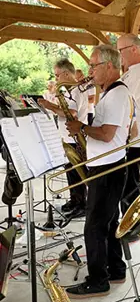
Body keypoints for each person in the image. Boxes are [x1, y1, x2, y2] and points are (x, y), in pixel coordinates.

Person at [65, 45, 136, 298]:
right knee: (108, 222)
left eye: (94, 66)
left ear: (109, 66)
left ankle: (98, 279)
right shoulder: (111, 93)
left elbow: (107, 134)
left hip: (108, 168)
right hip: (109, 166)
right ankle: (116, 268)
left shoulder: (117, 94)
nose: (90, 71)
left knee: (94, 226)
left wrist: (81, 128)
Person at [38, 59, 88, 218]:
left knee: (76, 174)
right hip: (68, 137)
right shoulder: (67, 90)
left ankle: (81, 204)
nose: (56, 79)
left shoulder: (77, 90)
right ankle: (74, 200)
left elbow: (71, 113)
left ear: (66, 73)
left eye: (57, 75)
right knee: (70, 173)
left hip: (75, 139)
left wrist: (49, 105)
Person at [117, 34, 140, 213]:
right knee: (125, 183)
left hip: (136, 138)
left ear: (134, 49)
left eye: (120, 51)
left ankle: (131, 227)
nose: (119, 56)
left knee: (129, 186)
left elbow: (123, 100)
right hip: (131, 137)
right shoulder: (133, 71)